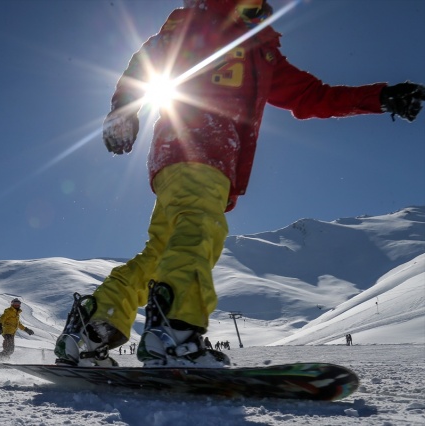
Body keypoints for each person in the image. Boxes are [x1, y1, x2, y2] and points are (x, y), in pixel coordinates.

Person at [54, 0, 424, 368]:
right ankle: (174, 333)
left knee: (162, 252)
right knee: (199, 232)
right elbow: (150, 60)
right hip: (194, 148)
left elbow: (312, 96)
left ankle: (92, 325)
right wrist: (124, 108)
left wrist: (380, 97)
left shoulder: (262, 53)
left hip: (196, 162)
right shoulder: (198, 23)